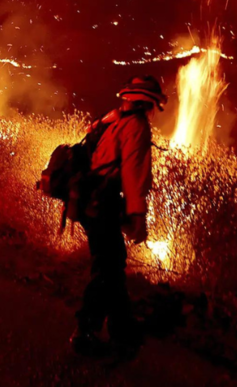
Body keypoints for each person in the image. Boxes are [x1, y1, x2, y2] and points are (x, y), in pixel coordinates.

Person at [70, 75, 167, 359]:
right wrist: (137, 215)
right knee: (108, 268)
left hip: (88, 198)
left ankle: (122, 327)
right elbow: (133, 173)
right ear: (148, 103)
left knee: (113, 263)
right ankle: (85, 331)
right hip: (103, 200)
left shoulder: (113, 119)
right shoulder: (136, 126)